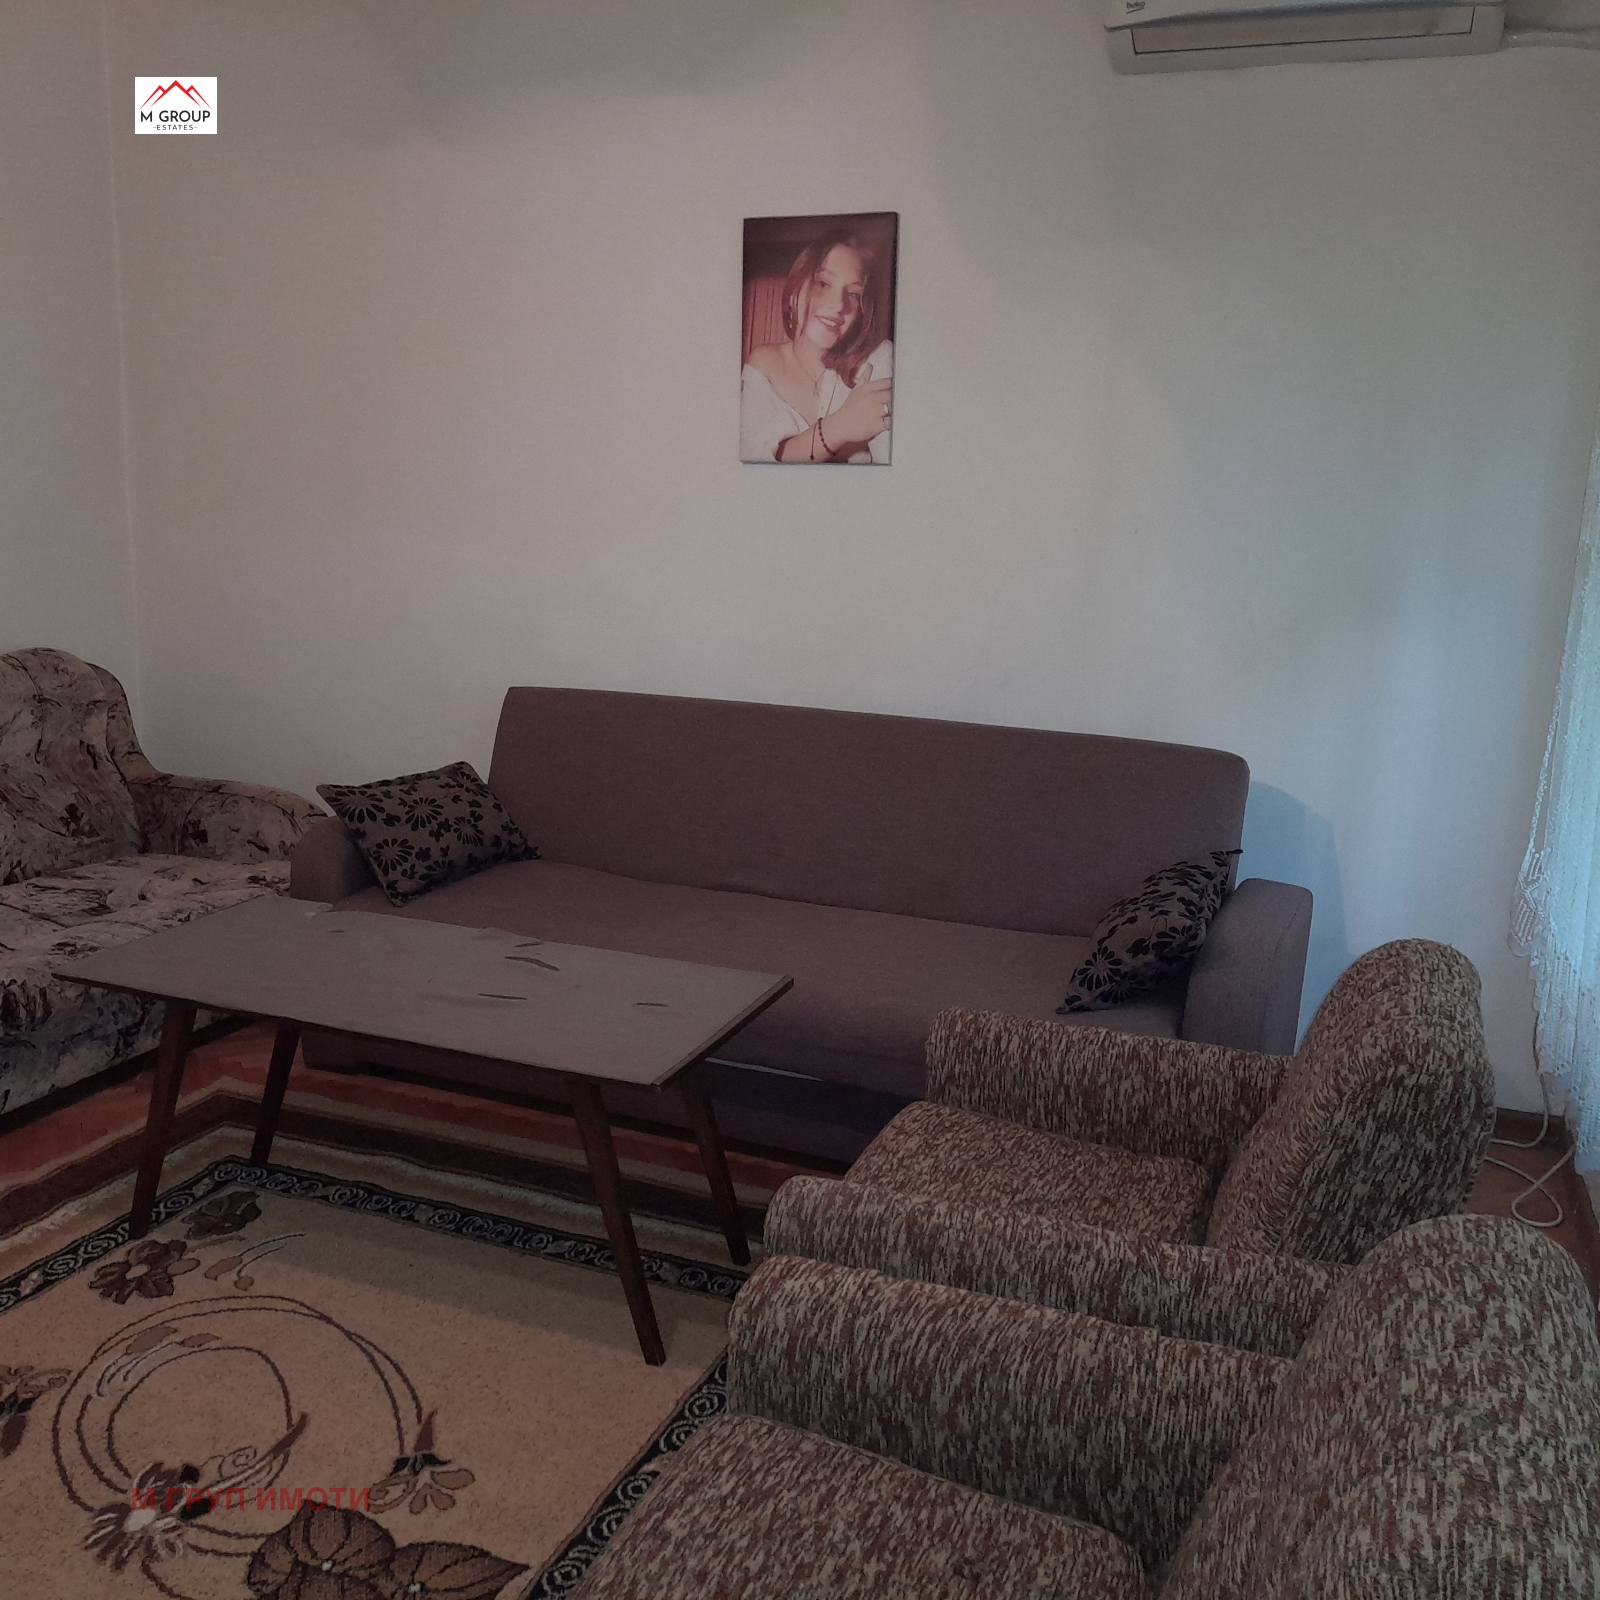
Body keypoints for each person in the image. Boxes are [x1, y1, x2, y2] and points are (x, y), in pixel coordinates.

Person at [740, 228, 894, 465]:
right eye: (823, 283)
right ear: (795, 290)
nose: (839, 304)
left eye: (854, 294)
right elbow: (750, 462)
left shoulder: (878, 359)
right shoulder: (764, 363)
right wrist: (841, 426)